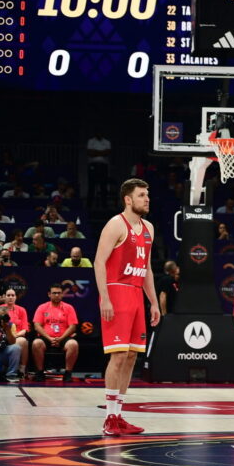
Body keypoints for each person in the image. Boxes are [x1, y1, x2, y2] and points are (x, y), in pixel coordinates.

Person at [94, 178, 161, 437]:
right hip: (116, 291)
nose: (147, 199)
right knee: (119, 355)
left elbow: (147, 269)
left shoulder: (149, 228)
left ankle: (119, 415)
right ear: (128, 199)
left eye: (147, 194)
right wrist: (105, 298)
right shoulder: (115, 224)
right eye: (142, 195)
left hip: (136, 294)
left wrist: (153, 302)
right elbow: (99, 262)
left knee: (132, 356)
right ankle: (109, 417)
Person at [31, 283, 79, 382]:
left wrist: (60, 339)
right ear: (49, 294)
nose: (57, 295)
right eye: (54, 293)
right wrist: (49, 338)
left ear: (62, 294)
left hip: (63, 338)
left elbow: (73, 327)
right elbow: (37, 326)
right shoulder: (42, 307)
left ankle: (68, 374)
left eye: (59, 293)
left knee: (73, 344)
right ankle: (39, 373)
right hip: (46, 338)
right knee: (36, 343)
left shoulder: (69, 308)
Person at [0, 289, 30, 378]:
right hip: (1, 337)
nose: (10, 297)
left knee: (23, 341)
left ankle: (22, 369)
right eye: (8, 295)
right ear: (5, 297)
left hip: (16, 336)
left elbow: (24, 330)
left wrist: (14, 336)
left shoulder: (22, 310)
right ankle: (5, 367)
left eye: (13, 295)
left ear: (16, 297)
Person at [86, 131, 112, 207]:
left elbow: (107, 152)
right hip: (93, 165)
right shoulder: (91, 141)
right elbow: (90, 153)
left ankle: (104, 205)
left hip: (103, 166)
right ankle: (89, 206)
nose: (99, 133)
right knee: (91, 185)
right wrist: (102, 152)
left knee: (103, 185)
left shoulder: (107, 142)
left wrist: (95, 152)